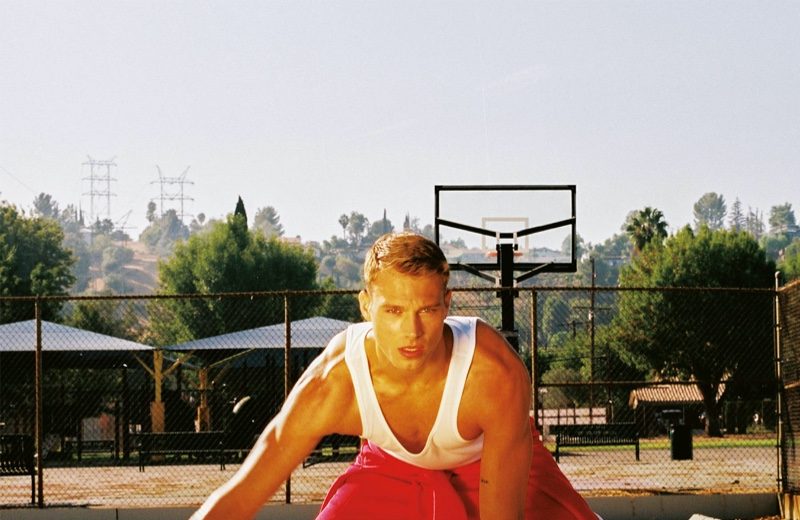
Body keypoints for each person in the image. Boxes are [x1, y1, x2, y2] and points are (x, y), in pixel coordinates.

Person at [191, 232, 598, 519]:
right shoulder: (335, 382)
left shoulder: (492, 373)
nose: (412, 331)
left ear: (448, 304)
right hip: (389, 468)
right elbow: (242, 494)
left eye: (427, 310)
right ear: (366, 306)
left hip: (488, 462)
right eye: (393, 311)